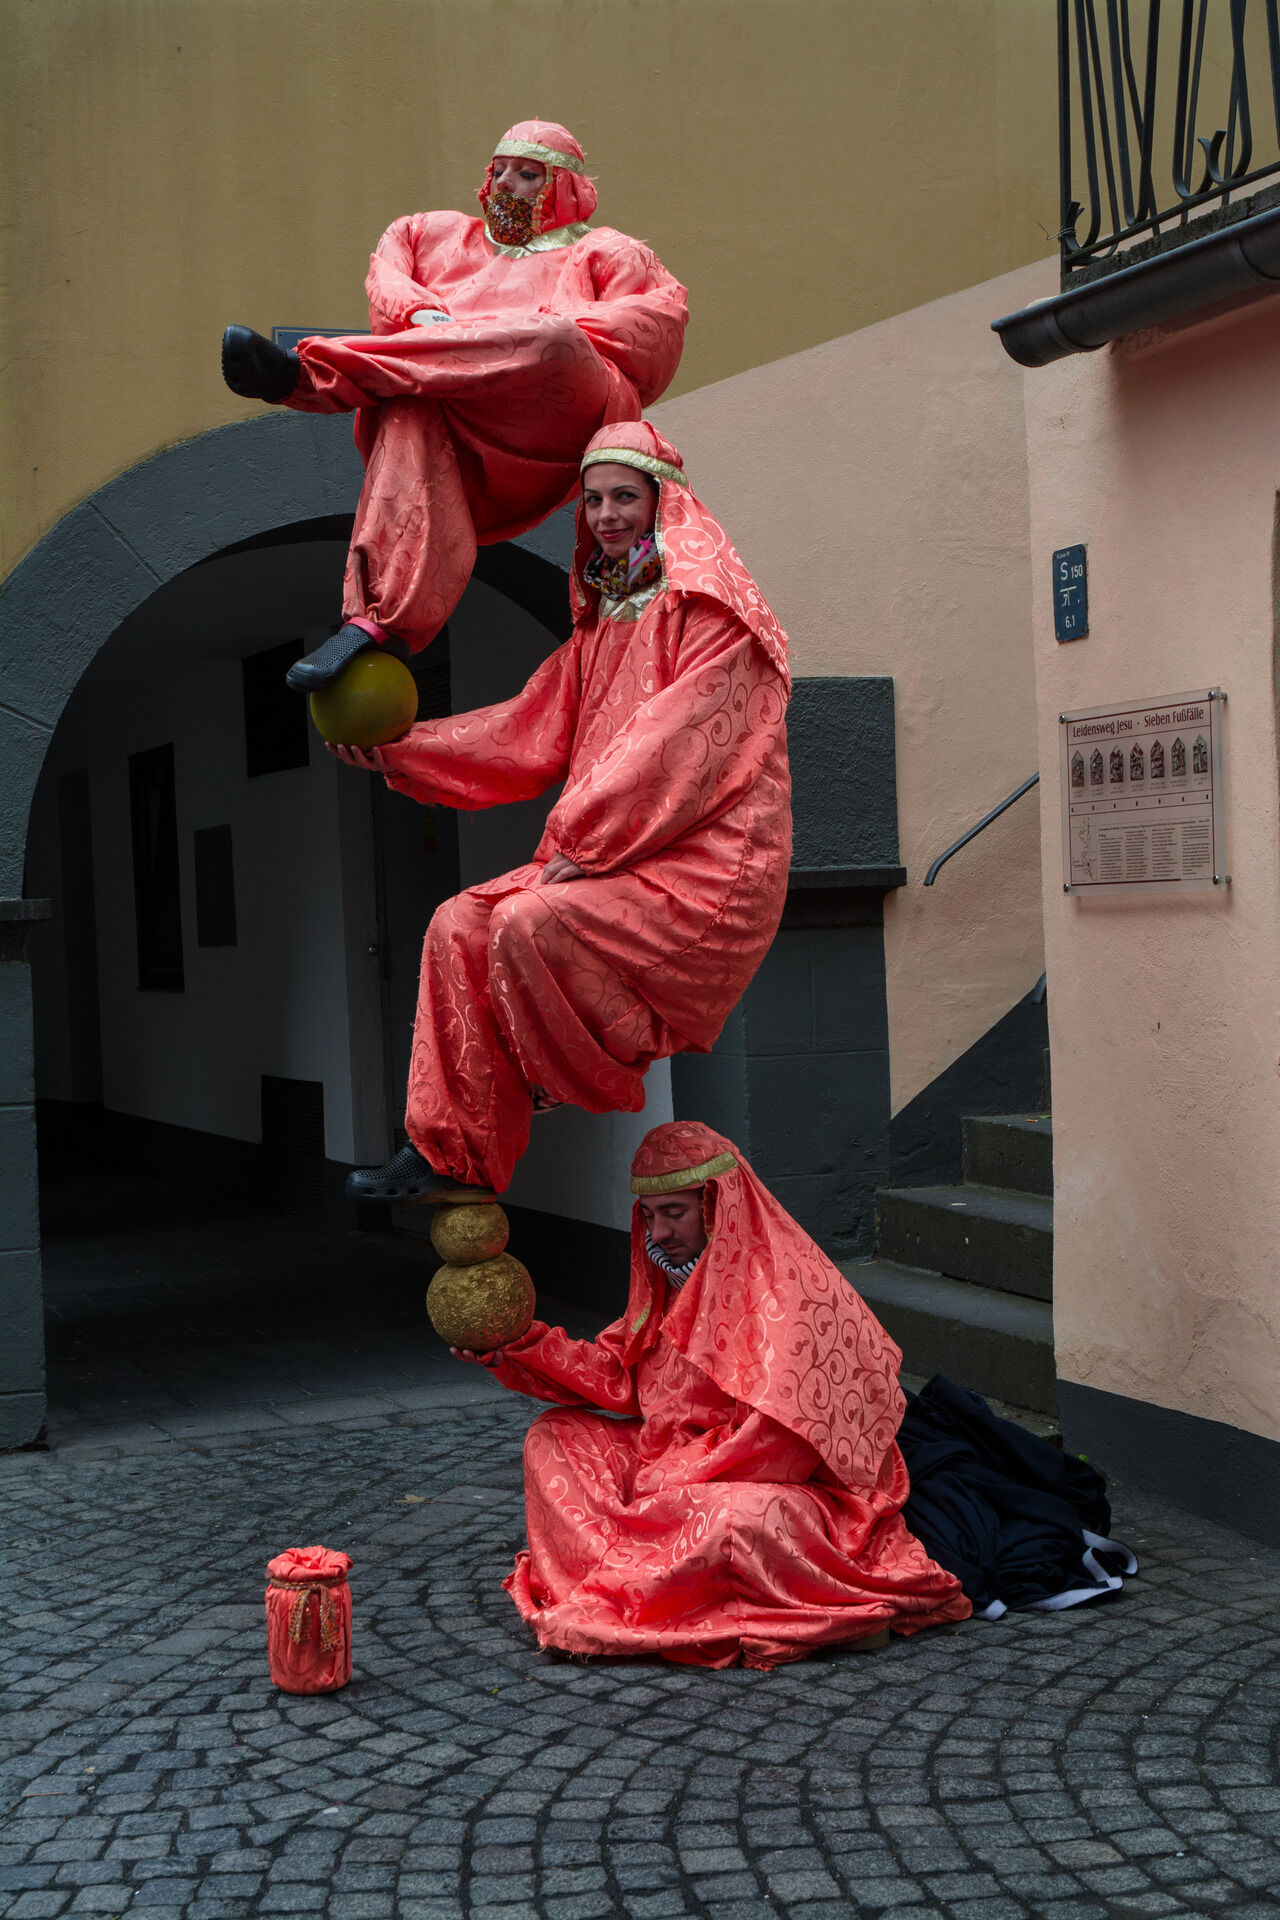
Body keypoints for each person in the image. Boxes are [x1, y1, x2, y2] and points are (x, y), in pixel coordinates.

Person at [455, 1121, 1139, 1669]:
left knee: (733, 1521)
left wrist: (664, 1481)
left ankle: (646, 1558)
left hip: (788, 1484)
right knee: (553, 1438)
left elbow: (780, 1446)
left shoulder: (791, 1295)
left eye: (674, 1214)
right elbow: (620, 1375)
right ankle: (645, 1556)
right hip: (678, 1463)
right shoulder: (671, 1280)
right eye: (650, 1216)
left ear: (717, 1207)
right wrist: (515, 1347)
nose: (658, 1234)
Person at [331, 422, 792, 1200]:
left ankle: (545, 1078)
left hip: (704, 867)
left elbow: (676, 746)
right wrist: (399, 753)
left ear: (663, 502)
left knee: (524, 922)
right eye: (594, 500)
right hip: (613, 854)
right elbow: (527, 730)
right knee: (455, 924)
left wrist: (586, 840)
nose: (607, 515)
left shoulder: (714, 609)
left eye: (625, 497)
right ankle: (449, 1156)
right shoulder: (607, 616)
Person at [221, 122, 688, 690]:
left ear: (563, 188)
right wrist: (419, 313)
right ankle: (376, 623)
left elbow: (654, 330)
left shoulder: (606, 251)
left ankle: (312, 375)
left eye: (528, 174)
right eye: (499, 171)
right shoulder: (432, 235)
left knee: (553, 338)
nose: (505, 184)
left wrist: (506, 333)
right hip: (456, 408)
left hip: (558, 412)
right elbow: (389, 270)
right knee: (409, 409)